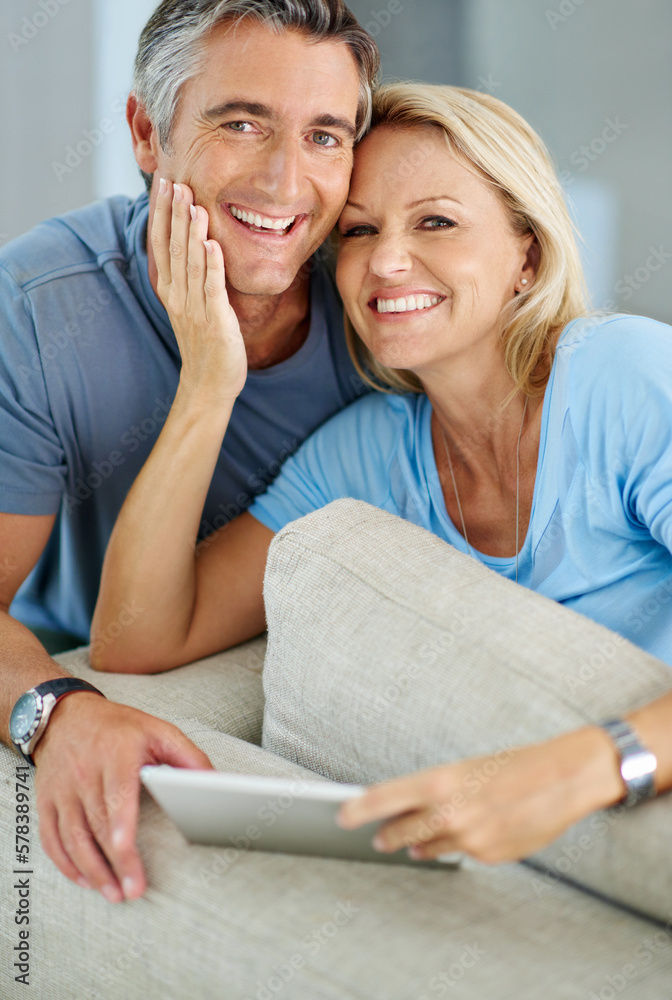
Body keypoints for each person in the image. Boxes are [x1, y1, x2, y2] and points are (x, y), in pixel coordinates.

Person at [93, 81, 672, 869]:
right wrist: (207, 385)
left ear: (527, 254)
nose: (387, 262)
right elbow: (138, 641)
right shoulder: (364, 453)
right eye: (360, 231)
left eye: (437, 221)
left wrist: (577, 770)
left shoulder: (622, 376)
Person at [2, 0, 379, 904]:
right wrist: (59, 713)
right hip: (93, 640)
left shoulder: (384, 301)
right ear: (146, 130)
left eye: (326, 136)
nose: (288, 181)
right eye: (242, 124)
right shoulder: (40, 308)